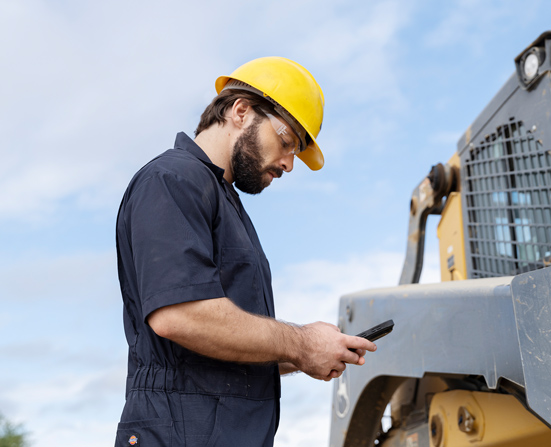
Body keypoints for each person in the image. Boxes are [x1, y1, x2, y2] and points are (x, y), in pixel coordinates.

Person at [114, 56, 377, 447]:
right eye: (287, 141)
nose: (289, 163)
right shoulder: (172, 180)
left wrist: (308, 354)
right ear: (241, 111)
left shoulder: (223, 201)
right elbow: (179, 316)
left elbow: (218, 348)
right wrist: (302, 343)